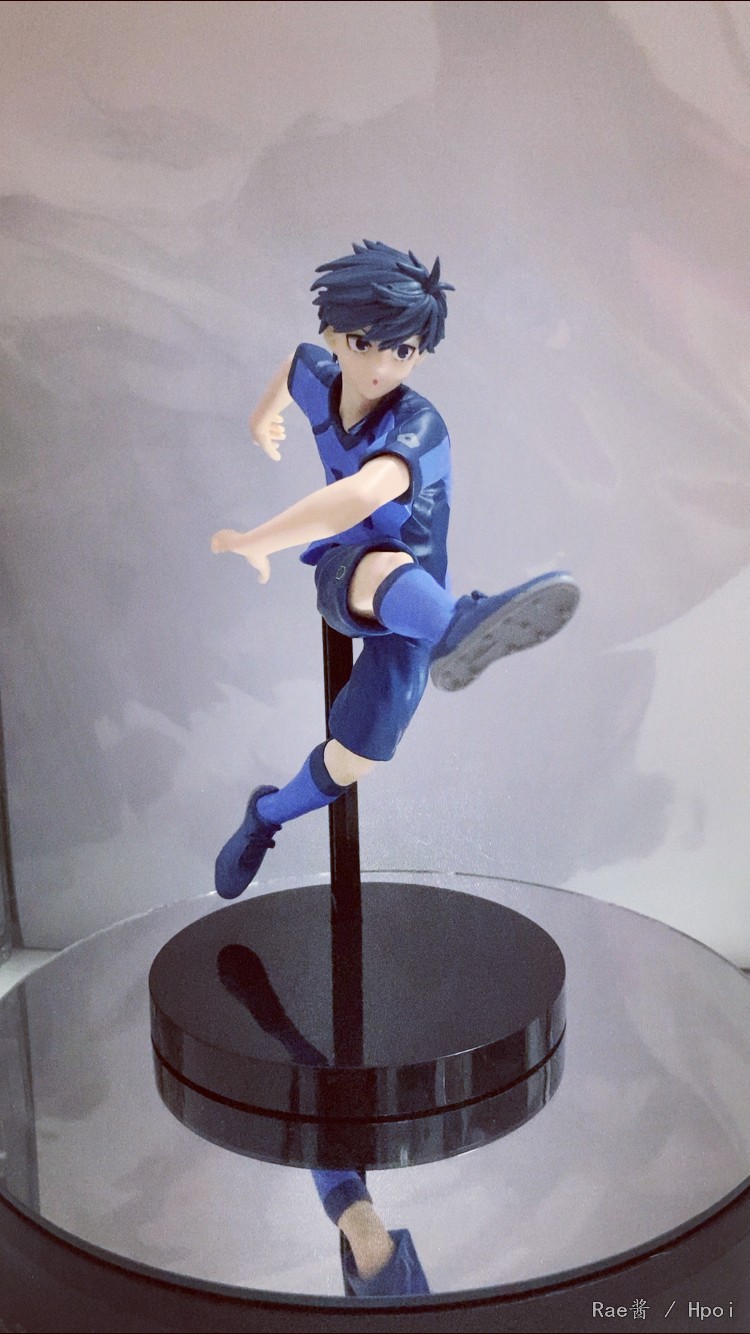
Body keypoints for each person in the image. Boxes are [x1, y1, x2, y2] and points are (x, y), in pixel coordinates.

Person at [211, 240, 579, 899]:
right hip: (346, 571)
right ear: (335, 335)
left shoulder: (418, 426)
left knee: (352, 761)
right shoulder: (320, 378)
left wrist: (259, 539)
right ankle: (461, 624)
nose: (381, 366)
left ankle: (265, 814)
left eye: (402, 351)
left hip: (416, 607)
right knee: (380, 560)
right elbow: (294, 367)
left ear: (421, 354)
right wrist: (262, 419)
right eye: (364, 344)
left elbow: (359, 494)